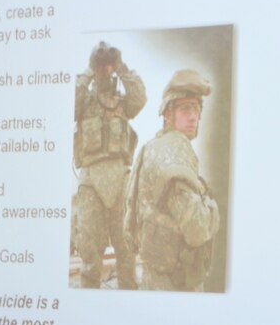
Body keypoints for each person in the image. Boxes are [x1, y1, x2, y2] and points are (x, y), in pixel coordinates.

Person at [124, 69, 220, 292]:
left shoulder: (152, 147)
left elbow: (130, 222)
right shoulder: (175, 149)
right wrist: (213, 208)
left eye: (196, 109)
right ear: (168, 114)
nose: (193, 116)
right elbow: (197, 230)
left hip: (153, 277)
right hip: (175, 283)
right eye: (186, 108)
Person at [71, 42, 145, 289]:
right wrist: (89, 69)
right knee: (90, 257)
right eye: (100, 65)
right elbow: (69, 105)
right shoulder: (85, 102)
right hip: (91, 181)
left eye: (106, 66)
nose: (104, 70)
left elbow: (140, 98)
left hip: (120, 179)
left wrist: (121, 66)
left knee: (126, 254)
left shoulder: (123, 103)